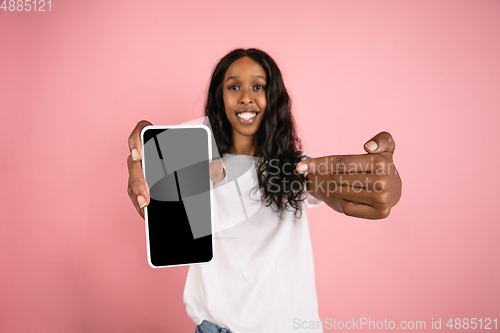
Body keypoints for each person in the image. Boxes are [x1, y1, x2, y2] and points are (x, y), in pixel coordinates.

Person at [127, 48, 402, 332]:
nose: (246, 96)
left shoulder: (297, 167)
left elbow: (326, 185)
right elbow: (166, 214)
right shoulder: (196, 165)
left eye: (258, 86)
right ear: (219, 98)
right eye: (234, 86)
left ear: (273, 98)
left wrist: (377, 186)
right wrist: (153, 163)